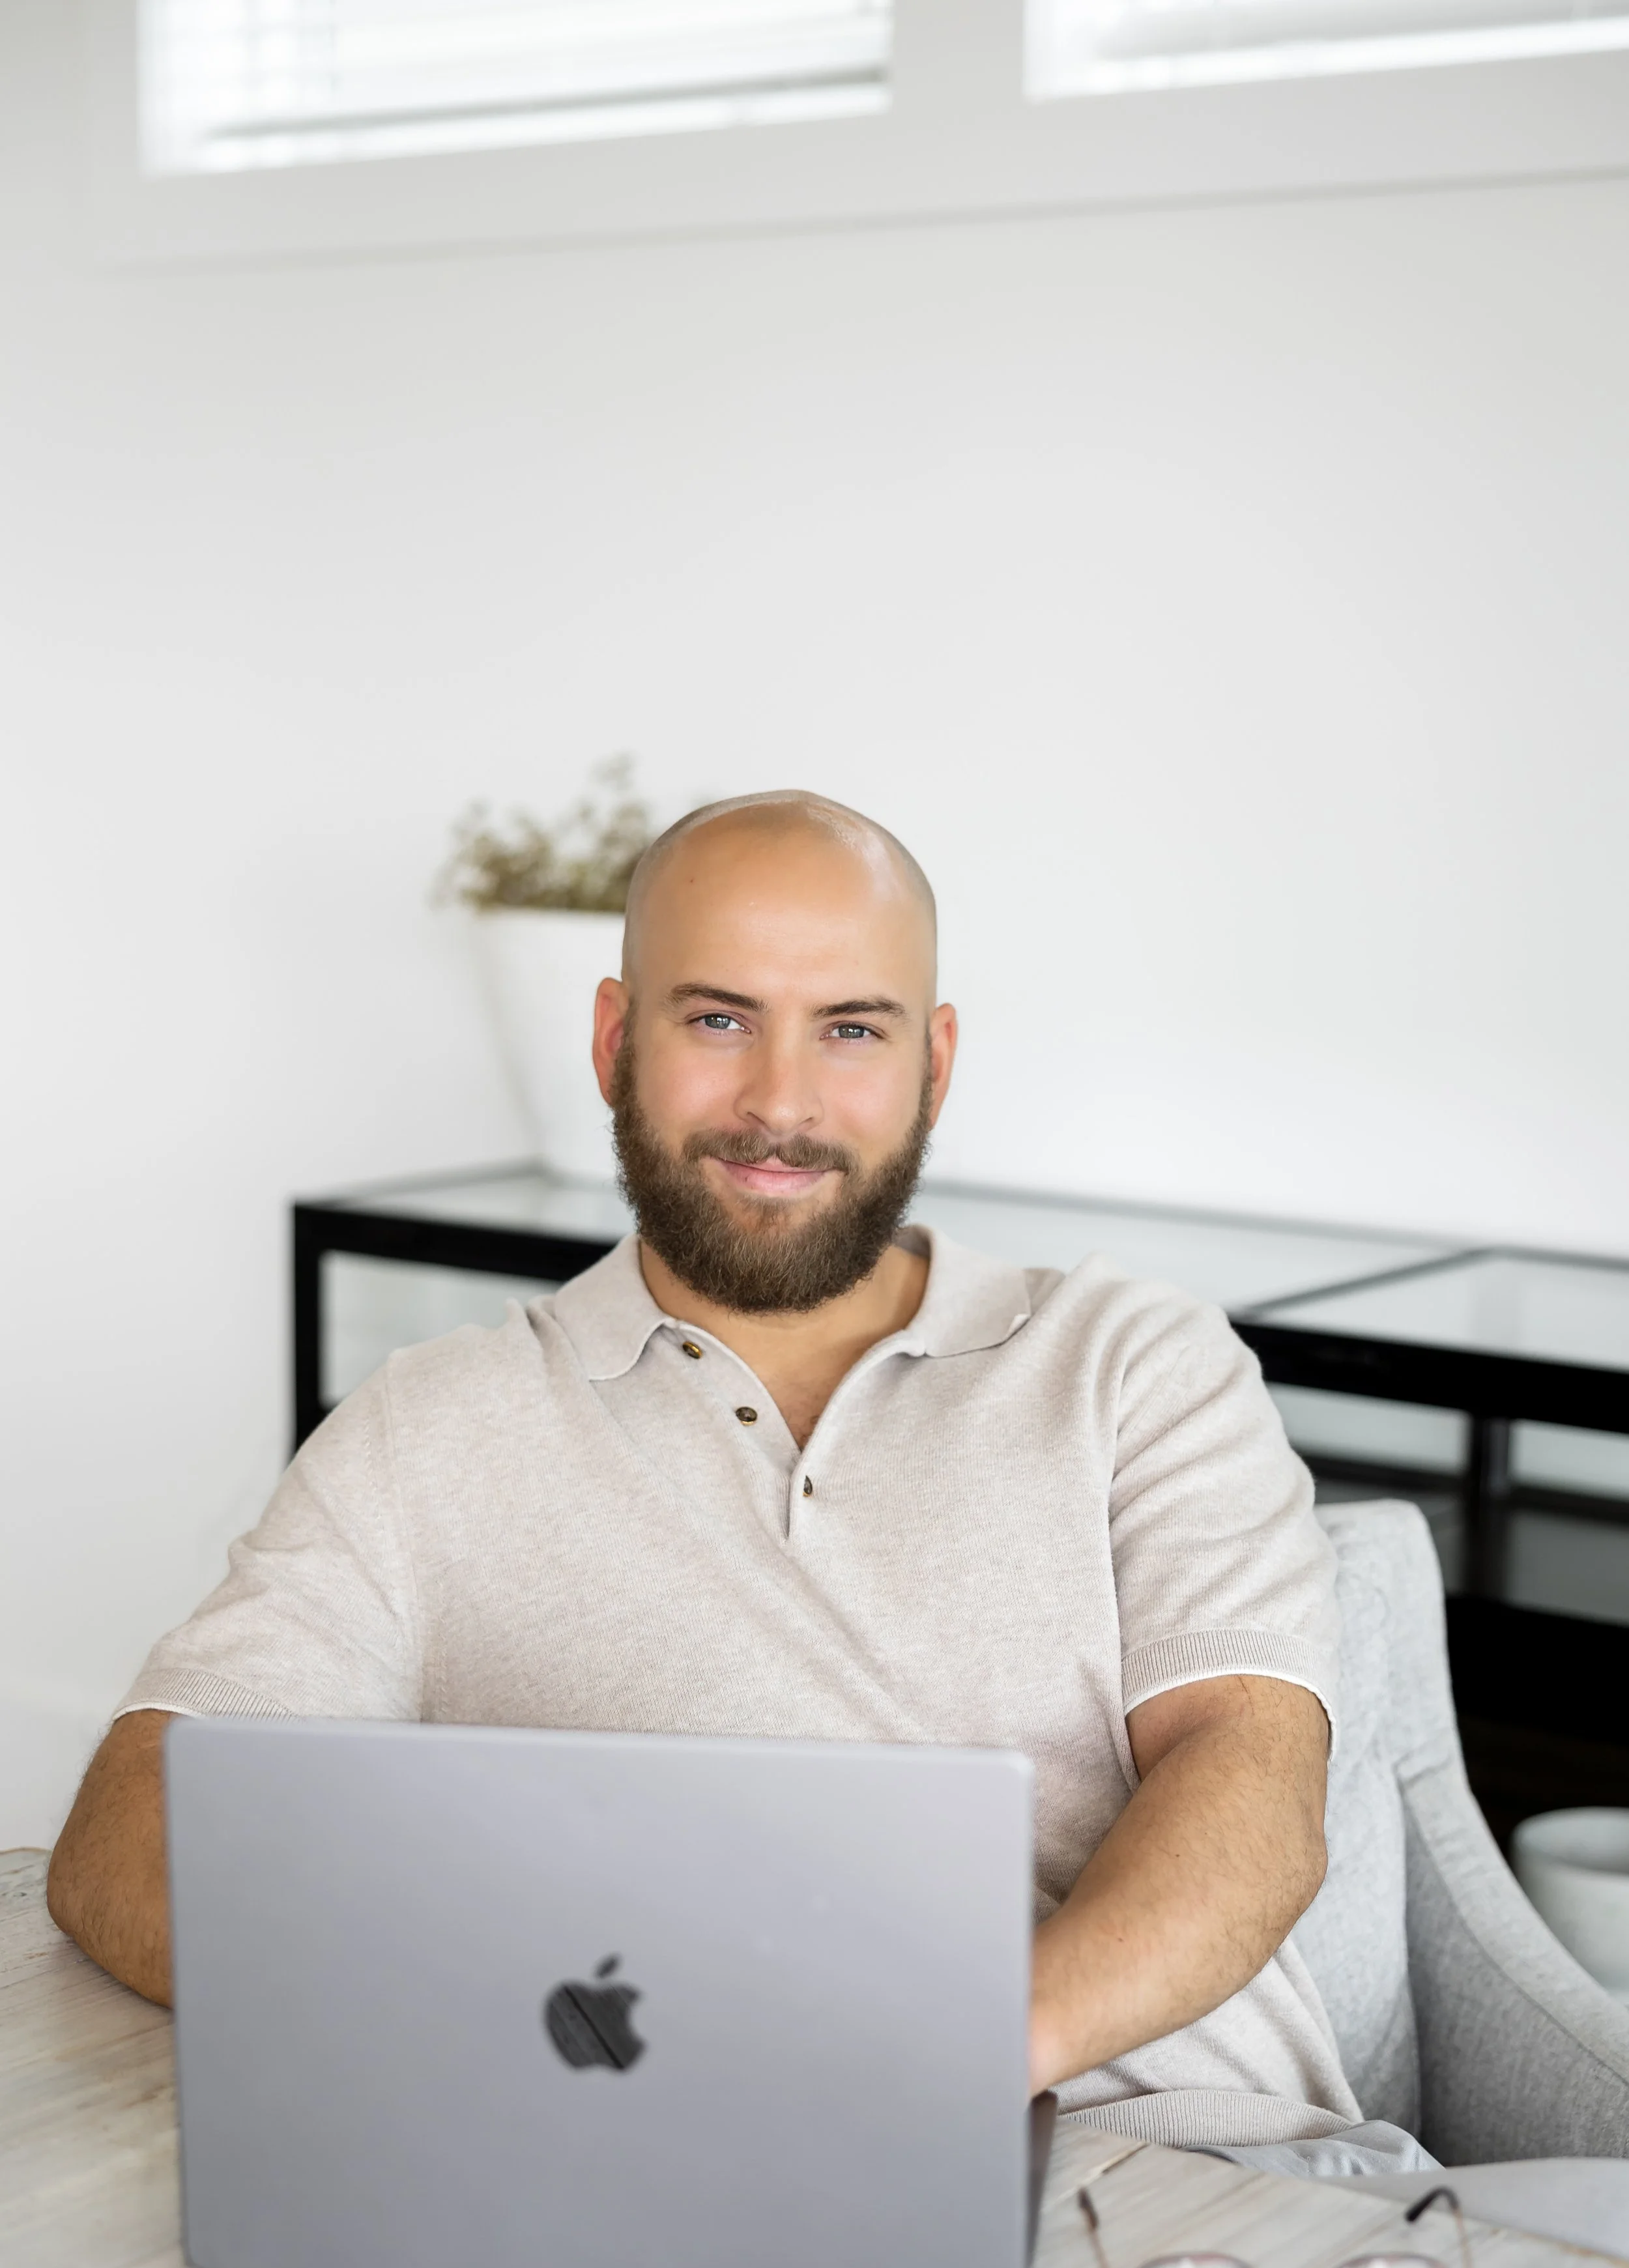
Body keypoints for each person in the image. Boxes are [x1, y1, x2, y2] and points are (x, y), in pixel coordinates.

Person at [47, 788, 1421, 2165]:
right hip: (659, 2167)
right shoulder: (431, 1424)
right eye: (716, 1019)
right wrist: (501, 2047)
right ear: (610, 1040)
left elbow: (1247, 1786)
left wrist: (927, 2067)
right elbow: (129, 1837)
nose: (779, 1102)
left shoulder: (1132, 1363)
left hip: (1190, 2167)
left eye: (849, 1030)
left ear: (932, 1065)